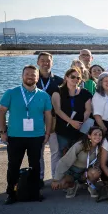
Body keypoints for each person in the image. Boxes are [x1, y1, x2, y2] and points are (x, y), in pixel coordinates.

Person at [0, 65, 53, 204]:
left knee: (36, 165)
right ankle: (11, 192)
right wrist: (3, 132)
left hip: (36, 136)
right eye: (27, 74)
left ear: (37, 77)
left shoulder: (44, 95)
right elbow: (1, 113)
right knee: (13, 165)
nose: (30, 77)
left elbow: (48, 116)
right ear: (22, 76)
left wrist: (47, 133)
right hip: (15, 136)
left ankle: (35, 192)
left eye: (33, 75)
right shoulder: (11, 93)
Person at [52, 125, 103, 199]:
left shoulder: (100, 148)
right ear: (89, 136)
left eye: (100, 135)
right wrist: (55, 179)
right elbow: (64, 161)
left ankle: (91, 186)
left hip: (84, 172)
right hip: (72, 171)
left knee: (95, 172)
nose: (98, 136)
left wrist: (96, 169)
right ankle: (72, 186)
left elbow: (98, 162)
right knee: (62, 184)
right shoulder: (80, 145)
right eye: (95, 134)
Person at [51, 67, 93, 154]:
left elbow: (88, 110)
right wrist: (71, 122)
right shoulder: (57, 92)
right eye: (72, 77)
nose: (75, 79)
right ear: (66, 77)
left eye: (78, 78)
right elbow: (57, 110)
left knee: (77, 154)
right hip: (62, 129)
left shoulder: (85, 93)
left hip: (79, 128)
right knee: (63, 153)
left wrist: (80, 123)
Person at [36, 52, 64, 180]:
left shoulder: (59, 81)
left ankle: (55, 177)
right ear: (38, 62)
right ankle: (39, 178)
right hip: (36, 121)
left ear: (52, 63)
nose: (45, 63)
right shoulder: (32, 80)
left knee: (55, 151)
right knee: (38, 152)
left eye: (48, 61)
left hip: (53, 120)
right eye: (42, 60)